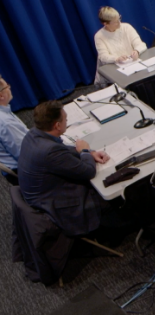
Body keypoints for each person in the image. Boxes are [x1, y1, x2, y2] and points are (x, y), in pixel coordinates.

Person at [18, 100, 111, 236]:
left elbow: (62, 149)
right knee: (107, 190)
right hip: (56, 204)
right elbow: (89, 172)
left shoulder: (33, 134)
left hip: (41, 194)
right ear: (57, 125)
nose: (67, 121)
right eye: (65, 119)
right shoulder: (49, 151)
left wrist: (90, 153)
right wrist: (84, 151)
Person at [0, 75, 28, 185]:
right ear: (1, 95)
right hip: (28, 172)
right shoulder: (6, 122)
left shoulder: (4, 111)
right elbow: (27, 155)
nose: (10, 87)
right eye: (7, 86)